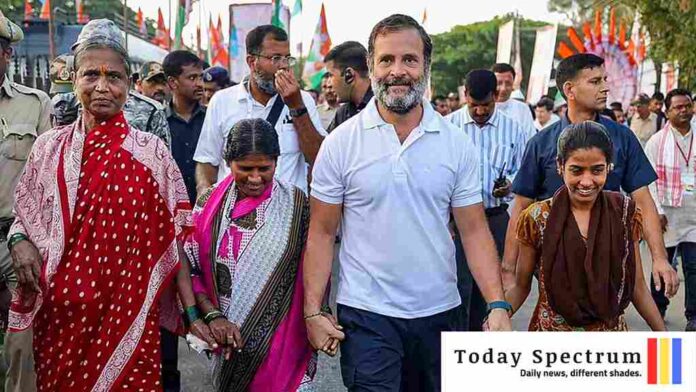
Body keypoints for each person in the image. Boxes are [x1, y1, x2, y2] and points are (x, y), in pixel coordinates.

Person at [304, 14, 512, 392]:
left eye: (409, 60)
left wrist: (497, 305)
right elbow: (321, 232)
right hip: (366, 314)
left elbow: (474, 230)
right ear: (371, 66)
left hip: (440, 312)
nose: (397, 71)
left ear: (425, 67)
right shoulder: (340, 144)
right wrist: (313, 311)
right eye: (386, 60)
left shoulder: (455, 143)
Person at [6, 19, 215, 391]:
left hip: (129, 317)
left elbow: (174, 242)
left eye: (114, 77)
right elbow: (26, 216)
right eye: (90, 75)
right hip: (61, 317)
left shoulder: (153, 156)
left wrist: (194, 312)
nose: (102, 87)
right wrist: (19, 240)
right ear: (74, 79)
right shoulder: (48, 148)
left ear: (129, 84)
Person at [502, 53, 679, 305]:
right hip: (554, 268)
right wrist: (509, 268)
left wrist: (660, 258)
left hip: (609, 263)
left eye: (604, 80)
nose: (605, 87)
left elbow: (643, 200)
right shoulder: (541, 144)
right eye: (595, 82)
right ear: (569, 90)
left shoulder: (623, 138)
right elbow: (520, 207)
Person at [184, 118, 315, 390]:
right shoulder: (208, 205)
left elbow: (314, 268)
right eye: (245, 168)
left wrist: (318, 314)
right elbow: (190, 266)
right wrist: (212, 316)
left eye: (264, 168)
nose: (255, 178)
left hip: (283, 340)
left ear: (276, 162)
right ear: (227, 162)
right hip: (226, 337)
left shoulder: (297, 204)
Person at [506, 121, 666, 332]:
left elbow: (637, 286)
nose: (587, 181)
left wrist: (664, 337)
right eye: (577, 170)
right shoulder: (537, 218)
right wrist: (498, 314)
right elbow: (521, 286)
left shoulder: (624, 213)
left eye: (597, 170)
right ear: (560, 165)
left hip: (609, 342)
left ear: (609, 166)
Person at [194, 25, 326, 196]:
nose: (283, 66)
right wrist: (204, 197)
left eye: (287, 58)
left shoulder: (303, 100)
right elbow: (207, 161)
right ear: (252, 62)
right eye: (276, 58)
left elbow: (319, 159)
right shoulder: (222, 101)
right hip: (235, 215)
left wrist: (296, 106)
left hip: (289, 215)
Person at [446, 69, 527, 331]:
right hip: (456, 222)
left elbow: (523, 171)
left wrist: (511, 184)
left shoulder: (513, 130)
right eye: (474, 105)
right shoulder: (447, 128)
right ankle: (456, 344)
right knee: (458, 285)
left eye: (486, 105)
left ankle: (485, 343)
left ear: (496, 97)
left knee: (492, 286)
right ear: (465, 96)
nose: (480, 112)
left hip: (495, 219)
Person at [0, 10, 51, 391]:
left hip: (16, 243)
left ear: (6, 55)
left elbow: (49, 180)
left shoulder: (36, 104)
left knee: (23, 348)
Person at [645, 88, 696, 331]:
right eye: (678, 107)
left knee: (694, 266)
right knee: (663, 264)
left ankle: (693, 317)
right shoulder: (657, 141)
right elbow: (648, 180)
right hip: (667, 214)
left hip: (693, 214)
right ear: (667, 112)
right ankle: (657, 306)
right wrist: (656, 211)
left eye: (687, 106)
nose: (684, 110)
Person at [164, 50, 206, 205]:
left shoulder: (211, 119)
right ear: (173, 82)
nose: (200, 84)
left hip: (205, 209)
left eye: (201, 77)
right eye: (192, 78)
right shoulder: (158, 122)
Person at [323, 41, 373, 132]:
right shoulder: (343, 114)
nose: (328, 84)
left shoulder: (383, 108)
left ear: (349, 75)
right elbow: (325, 145)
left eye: (331, 75)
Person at [492, 63, 536, 138]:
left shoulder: (522, 109)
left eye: (508, 83)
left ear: (513, 84)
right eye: (499, 83)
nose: (503, 89)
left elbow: (530, 138)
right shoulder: (482, 108)